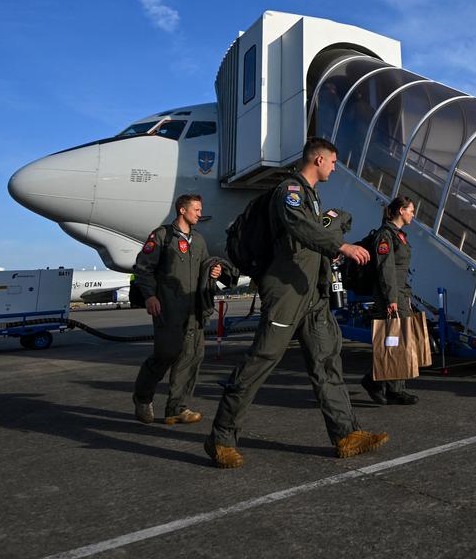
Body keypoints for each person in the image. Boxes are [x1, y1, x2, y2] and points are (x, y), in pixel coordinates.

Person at [204, 137, 387, 468]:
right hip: (286, 293)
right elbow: (302, 228)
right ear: (317, 160)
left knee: (327, 361)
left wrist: (336, 221)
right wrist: (341, 246)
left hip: (312, 294)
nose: (334, 167)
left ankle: (346, 434)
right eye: (332, 161)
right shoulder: (290, 191)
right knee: (262, 359)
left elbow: (317, 229)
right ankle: (221, 436)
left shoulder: (312, 198)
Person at [132, 194, 226, 425]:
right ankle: (142, 398)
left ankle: (177, 408)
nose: (199, 213)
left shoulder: (200, 240)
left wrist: (214, 271)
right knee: (166, 354)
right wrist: (150, 296)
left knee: (191, 357)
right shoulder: (162, 236)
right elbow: (143, 268)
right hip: (167, 307)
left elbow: (205, 267)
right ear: (182, 211)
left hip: (194, 309)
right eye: (195, 209)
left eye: (200, 209)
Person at [361, 196, 419, 406]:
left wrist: (406, 296)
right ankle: (383, 384)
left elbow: (400, 270)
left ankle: (383, 383)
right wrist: (391, 299)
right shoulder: (385, 236)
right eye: (411, 210)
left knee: (396, 342)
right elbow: (386, 269)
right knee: (395, 341)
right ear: (401, 211)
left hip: (400, 294)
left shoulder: (399, 235)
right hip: (391, 296)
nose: (413, 214)